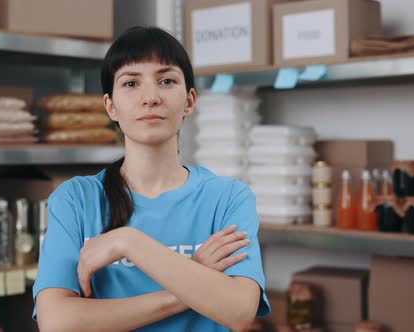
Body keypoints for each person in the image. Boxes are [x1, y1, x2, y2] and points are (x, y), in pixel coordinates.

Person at [33, 26, 270, 332]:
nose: (150, 97)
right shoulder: (76, 200)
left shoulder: (227, 198)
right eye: (131, 83)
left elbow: (238, 311)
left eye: (167, 81)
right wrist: (191, 281)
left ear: (189, 101)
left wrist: (128, 242)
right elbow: (57, 322)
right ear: (110, 106)